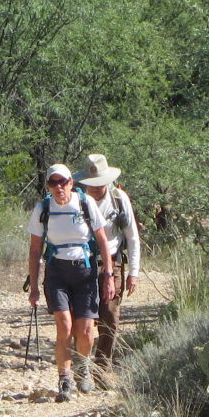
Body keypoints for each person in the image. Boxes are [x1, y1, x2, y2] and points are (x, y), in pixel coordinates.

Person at [26, 163, 115, 402]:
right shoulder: (42, 208)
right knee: (64, 325)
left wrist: (108, 276)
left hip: (85, 271)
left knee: (85, 331)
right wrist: (34, 287)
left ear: (71, 183)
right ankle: (64, 379)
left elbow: (103, 241)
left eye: (62, 182)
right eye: (53, 183)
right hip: (57, 272)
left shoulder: (85, 203)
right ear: (48, 186)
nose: (58, 187)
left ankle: (82, 368)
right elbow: (35, 250)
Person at [77, 153, 142, 379]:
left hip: (111, 263)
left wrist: (133, 273)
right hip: (82, 263)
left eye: (100, 184)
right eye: (92, 184)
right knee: (83, 317)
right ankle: (81, 367)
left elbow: (132, 237)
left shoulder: (118, 199)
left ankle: (101, 370)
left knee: (110, 316)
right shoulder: (77, 200)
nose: (96, 188)